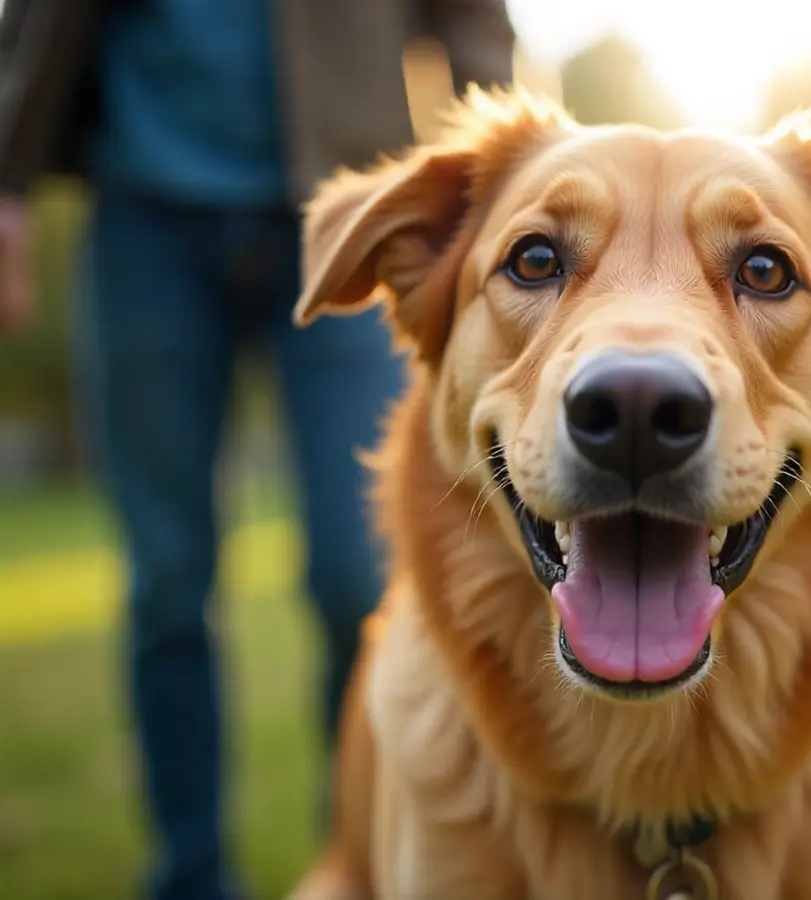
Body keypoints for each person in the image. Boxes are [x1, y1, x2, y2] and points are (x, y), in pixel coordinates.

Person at [0, 2, 516, 899]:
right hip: (144, 212)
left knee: (359, 571)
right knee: (166, 583)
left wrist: (518, 191)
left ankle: (357, 860)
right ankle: (191, 875)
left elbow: (470, 15)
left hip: (349, 189)